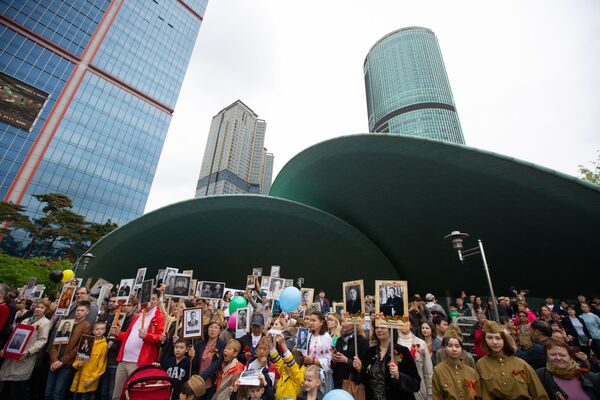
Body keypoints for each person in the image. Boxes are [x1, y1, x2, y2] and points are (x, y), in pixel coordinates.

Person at [110, 288, 165, 400]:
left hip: (139, 362)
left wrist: (147, 336)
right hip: (124, 360)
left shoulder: (159, 316)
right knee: (117, 394)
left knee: (134, 394)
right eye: (149, 299)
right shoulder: (138, 315)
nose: (150, 301)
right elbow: (129, 336)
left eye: (153, 299)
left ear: (158, 300)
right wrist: (118, 334)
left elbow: (161, 338)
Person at [475, 321, 548, 399]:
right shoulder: (481, 364)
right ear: (484, 340)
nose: (494, 342)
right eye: (489, 338)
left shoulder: (521, 363)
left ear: (505, 340)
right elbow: (480, 393)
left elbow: (540, 394)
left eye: (498, 338)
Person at [352, 320, 421, 399]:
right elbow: (364, 381)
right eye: (377, 327)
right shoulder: (370, 352)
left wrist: (398, 376)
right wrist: (359, 369)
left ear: (391, 329)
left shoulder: (402, 352)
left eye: (382, 327)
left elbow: (416, 383)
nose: (379, 330)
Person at [0, 299, 51, 400]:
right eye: (37, 307)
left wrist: (29, 351)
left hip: (25, 357)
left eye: (42, 308)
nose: (38, 309)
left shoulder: (45, 322)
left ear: (46, 310)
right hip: (12, 355)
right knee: (6, 387)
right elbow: (13, 336)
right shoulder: (26, 320)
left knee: (17, 388)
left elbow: (42, 341)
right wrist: (5, 349)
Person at [45, 301, 92, 400]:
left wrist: (62, 361)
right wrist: (54, 360)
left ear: (87, 312)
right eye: (78, 310)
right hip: (54, 361)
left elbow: (79, 347)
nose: (79, 312)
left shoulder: (86, 326)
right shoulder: (67, 323)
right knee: (48, 391)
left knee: (58, 393)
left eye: (82, 310)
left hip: (67, 364)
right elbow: (55, 343)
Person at [535, 338, 600, 400]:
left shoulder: (589, 376)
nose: (558, 358)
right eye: (553, 354)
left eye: (562, 355)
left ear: (570, 357)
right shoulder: (540, 375)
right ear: (547, 356)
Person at [97, 296, 133, 400]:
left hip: (116, 358)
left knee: (112, 391)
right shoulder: (113, 316)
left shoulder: (130, 319)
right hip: (105, 357)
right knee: (103, 391)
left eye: (129, 305)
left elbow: (126, 337)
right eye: (124, 305)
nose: (125, 307)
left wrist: (115, 342)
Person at [432, 328, 480, 400]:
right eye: (450, 346)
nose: (454, 349)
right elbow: (437, 396)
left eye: (457, 346)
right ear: (444, 348)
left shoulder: (471, 372)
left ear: (462, 349)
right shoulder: (438, 370)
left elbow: (478, 395)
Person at [71, 321, 108, 399]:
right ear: (93, 331)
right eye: (97, 329)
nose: (99, 331)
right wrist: (77, 364)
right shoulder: (86, 341)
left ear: (104, 331)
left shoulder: (104, 345)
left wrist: (91, 379)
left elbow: (101, 366)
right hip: (79, 378)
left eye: (102, 329)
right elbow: (78, 358)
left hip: (89, 381)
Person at [190, 318, 226, 399]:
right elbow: (195, 364)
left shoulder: (222, 345)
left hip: (211, 382)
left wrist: (202, 377)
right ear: (207, 329)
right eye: (211, 327)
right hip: (198, 383)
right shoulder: (200, 344)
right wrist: (192, 357)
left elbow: (217, 363)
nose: (213, 330)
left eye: (216, 328)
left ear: (219, 331)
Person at [398, 320, 433, 400]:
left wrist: (430, 392)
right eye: (401, 320)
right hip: (399, 388)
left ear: (411, 324)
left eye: (406, 320)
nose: (403, 323)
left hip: (418, 390)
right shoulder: (393, 343)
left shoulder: (421, 343)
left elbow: (428, 371)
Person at [331, 317, 369, 390]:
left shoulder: (362, 341)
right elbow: (334, 366)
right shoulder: (340, 340)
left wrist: (347, 360)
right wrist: (334, 360)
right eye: (342, 322)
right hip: (338, 382)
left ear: (354, 323)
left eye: (345, 322)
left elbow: (364, 367)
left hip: (352, 383)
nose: (342, 324)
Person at [303, 311, 334, 392]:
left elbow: (328, 360)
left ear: (321, 322)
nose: (311, 323)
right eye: (310, 320)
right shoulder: (308, 335)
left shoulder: (326, 337)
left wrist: (313, 360)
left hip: (320, 375)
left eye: (314, 320)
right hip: (308, 373)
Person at [269, 332, 305, 399]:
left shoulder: (298, 377)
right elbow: (277, 360)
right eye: (285, 362)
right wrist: (269, 343)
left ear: (298, 366)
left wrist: (283, 344)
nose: (285, 365)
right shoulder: (285, 371)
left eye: (287, 363)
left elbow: (291, 363)